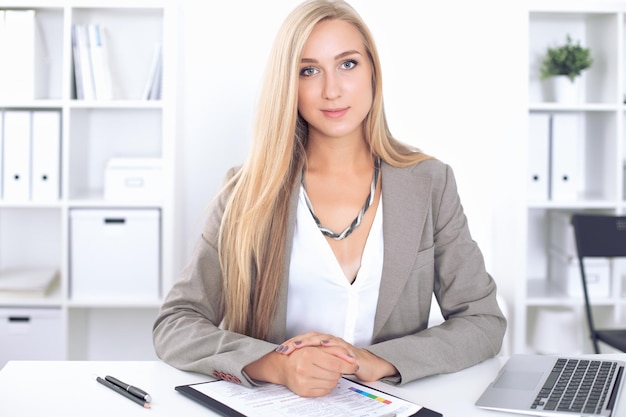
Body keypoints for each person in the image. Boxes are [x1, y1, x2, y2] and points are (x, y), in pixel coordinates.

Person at [153, 0, 506, 398]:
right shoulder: (247, 192)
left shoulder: (429, 183)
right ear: (290, 84)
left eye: (348, 64)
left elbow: (483, 321)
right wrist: (273, 364)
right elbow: (176, 323)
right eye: (308, 70)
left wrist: (380, 361)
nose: (332, 90)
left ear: (373, 70)